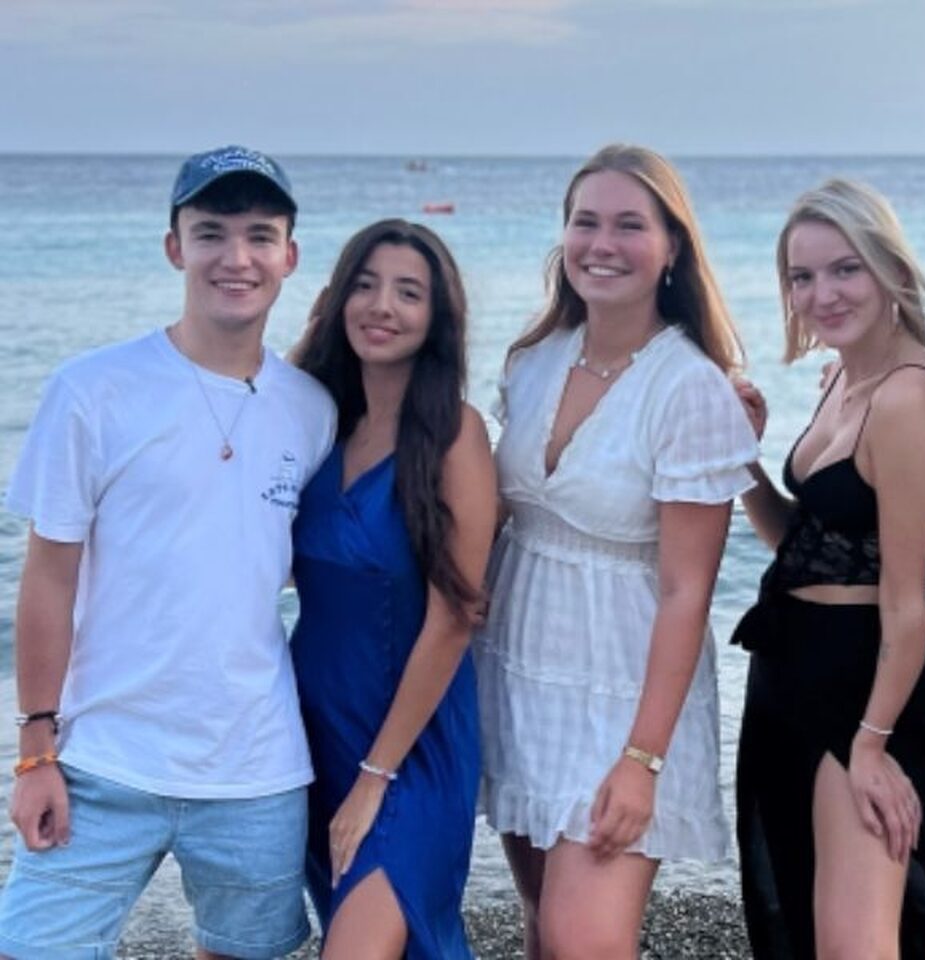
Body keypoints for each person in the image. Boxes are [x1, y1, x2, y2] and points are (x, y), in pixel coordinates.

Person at [0, 145, 336, 959]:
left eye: (259, 236)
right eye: (211, 232)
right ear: (174, 247)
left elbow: (303, 562)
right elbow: (49, 577)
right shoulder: (93, 389)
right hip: (102, 759)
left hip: (255, 767)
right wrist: (35, 751)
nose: (236, 257)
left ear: (290, 256)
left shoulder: (312, 409)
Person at [474, 143, 758, 960]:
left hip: (624, 695)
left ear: (671, 248)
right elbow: (498, 517)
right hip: (521, 675)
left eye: (630, 225)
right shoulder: (534, 361)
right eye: (585, 222)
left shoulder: (690, 388)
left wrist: (642, 759)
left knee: (584, 938)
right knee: (543, 928)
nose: (603, 244)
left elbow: (686, 593)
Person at [731, 178, 925, 959]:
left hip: (859, 684)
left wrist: (871, 744)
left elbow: (907, 604)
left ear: (890, 269)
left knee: (858, 943)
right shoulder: (839, 377)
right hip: (787, 670)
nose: (821, 294)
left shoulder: (909, 398)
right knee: (809, 919)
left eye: (845, 268)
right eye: (802, 276)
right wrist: (744, 462)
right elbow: (804, 548)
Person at [290, 219, 496, 959]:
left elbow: (456, 615)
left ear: (437, 318)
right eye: (366, 285)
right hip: (315, 731)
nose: (382, 306)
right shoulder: (317, 428)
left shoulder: (454, 434)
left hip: (413, 747)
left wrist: (377, 776)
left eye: (409, 293)